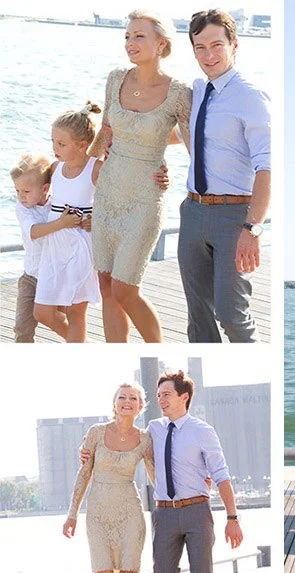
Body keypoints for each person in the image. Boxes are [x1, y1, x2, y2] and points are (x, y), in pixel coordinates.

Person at [93, 10, 192, 343]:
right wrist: (88, 163)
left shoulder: (179, 92)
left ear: (161, 43)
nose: (130, 43)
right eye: (127, 37)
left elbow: (192, 144)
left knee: (125, 288)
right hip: (107, 192)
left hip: (146, 198)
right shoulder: (115, 78)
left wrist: (181, 177)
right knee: (106, 284)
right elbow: (106, 129)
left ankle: (155, 352)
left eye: (139, 36)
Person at [81, 372, 243, 573]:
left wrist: (232, 518)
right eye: (158, 395)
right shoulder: (153, 429)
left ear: (184, 397)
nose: (160, 400)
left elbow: (221, 475)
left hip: (197, 511)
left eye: (166, 394)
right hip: (164, 514)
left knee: (202, 571)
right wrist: (86, 451)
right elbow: (126, 440)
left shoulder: (203, 431)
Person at [178, 9, 272, 343]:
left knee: (232, 315)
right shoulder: (200, 89)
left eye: (216, 45)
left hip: (234, 218)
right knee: (198, 319)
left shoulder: (250, 97)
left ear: (234, 44)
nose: (208, 55)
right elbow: (193, 133)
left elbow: (267, 166)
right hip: (192, 212)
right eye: (200, 47)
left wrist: (253, 227)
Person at [62, 384, 155, 573]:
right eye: (122, 397)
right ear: (114, 404)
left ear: (140, 406)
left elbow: (156, 478)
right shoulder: (96, 432)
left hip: (130, 515)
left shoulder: (145, 439)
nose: (126, 402)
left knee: (129, 571)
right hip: (98, 515)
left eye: (132, 398)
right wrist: (72, 515)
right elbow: (84, 474)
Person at [34, 104, 105, 342]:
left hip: (81, 247)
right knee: (42, 312)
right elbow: (37, 194)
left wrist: (98, 220)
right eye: (53, 141)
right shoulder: (55, 168)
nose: (55, 148)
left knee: (76, 311)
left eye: (61, 144)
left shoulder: (95, 168)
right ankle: (80, 345)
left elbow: (116, 202)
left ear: (82, 145)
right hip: (53, 247)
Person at [11, 154, 55, 343]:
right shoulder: (23, 208)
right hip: (31, 276)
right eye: (17, 190)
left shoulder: (58, 203)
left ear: (45, 189)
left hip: (57, 275)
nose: (21, 196)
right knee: (23, 326)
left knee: (65, 319)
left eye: (26, 191)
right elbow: (34, 231)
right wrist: (62, 223)